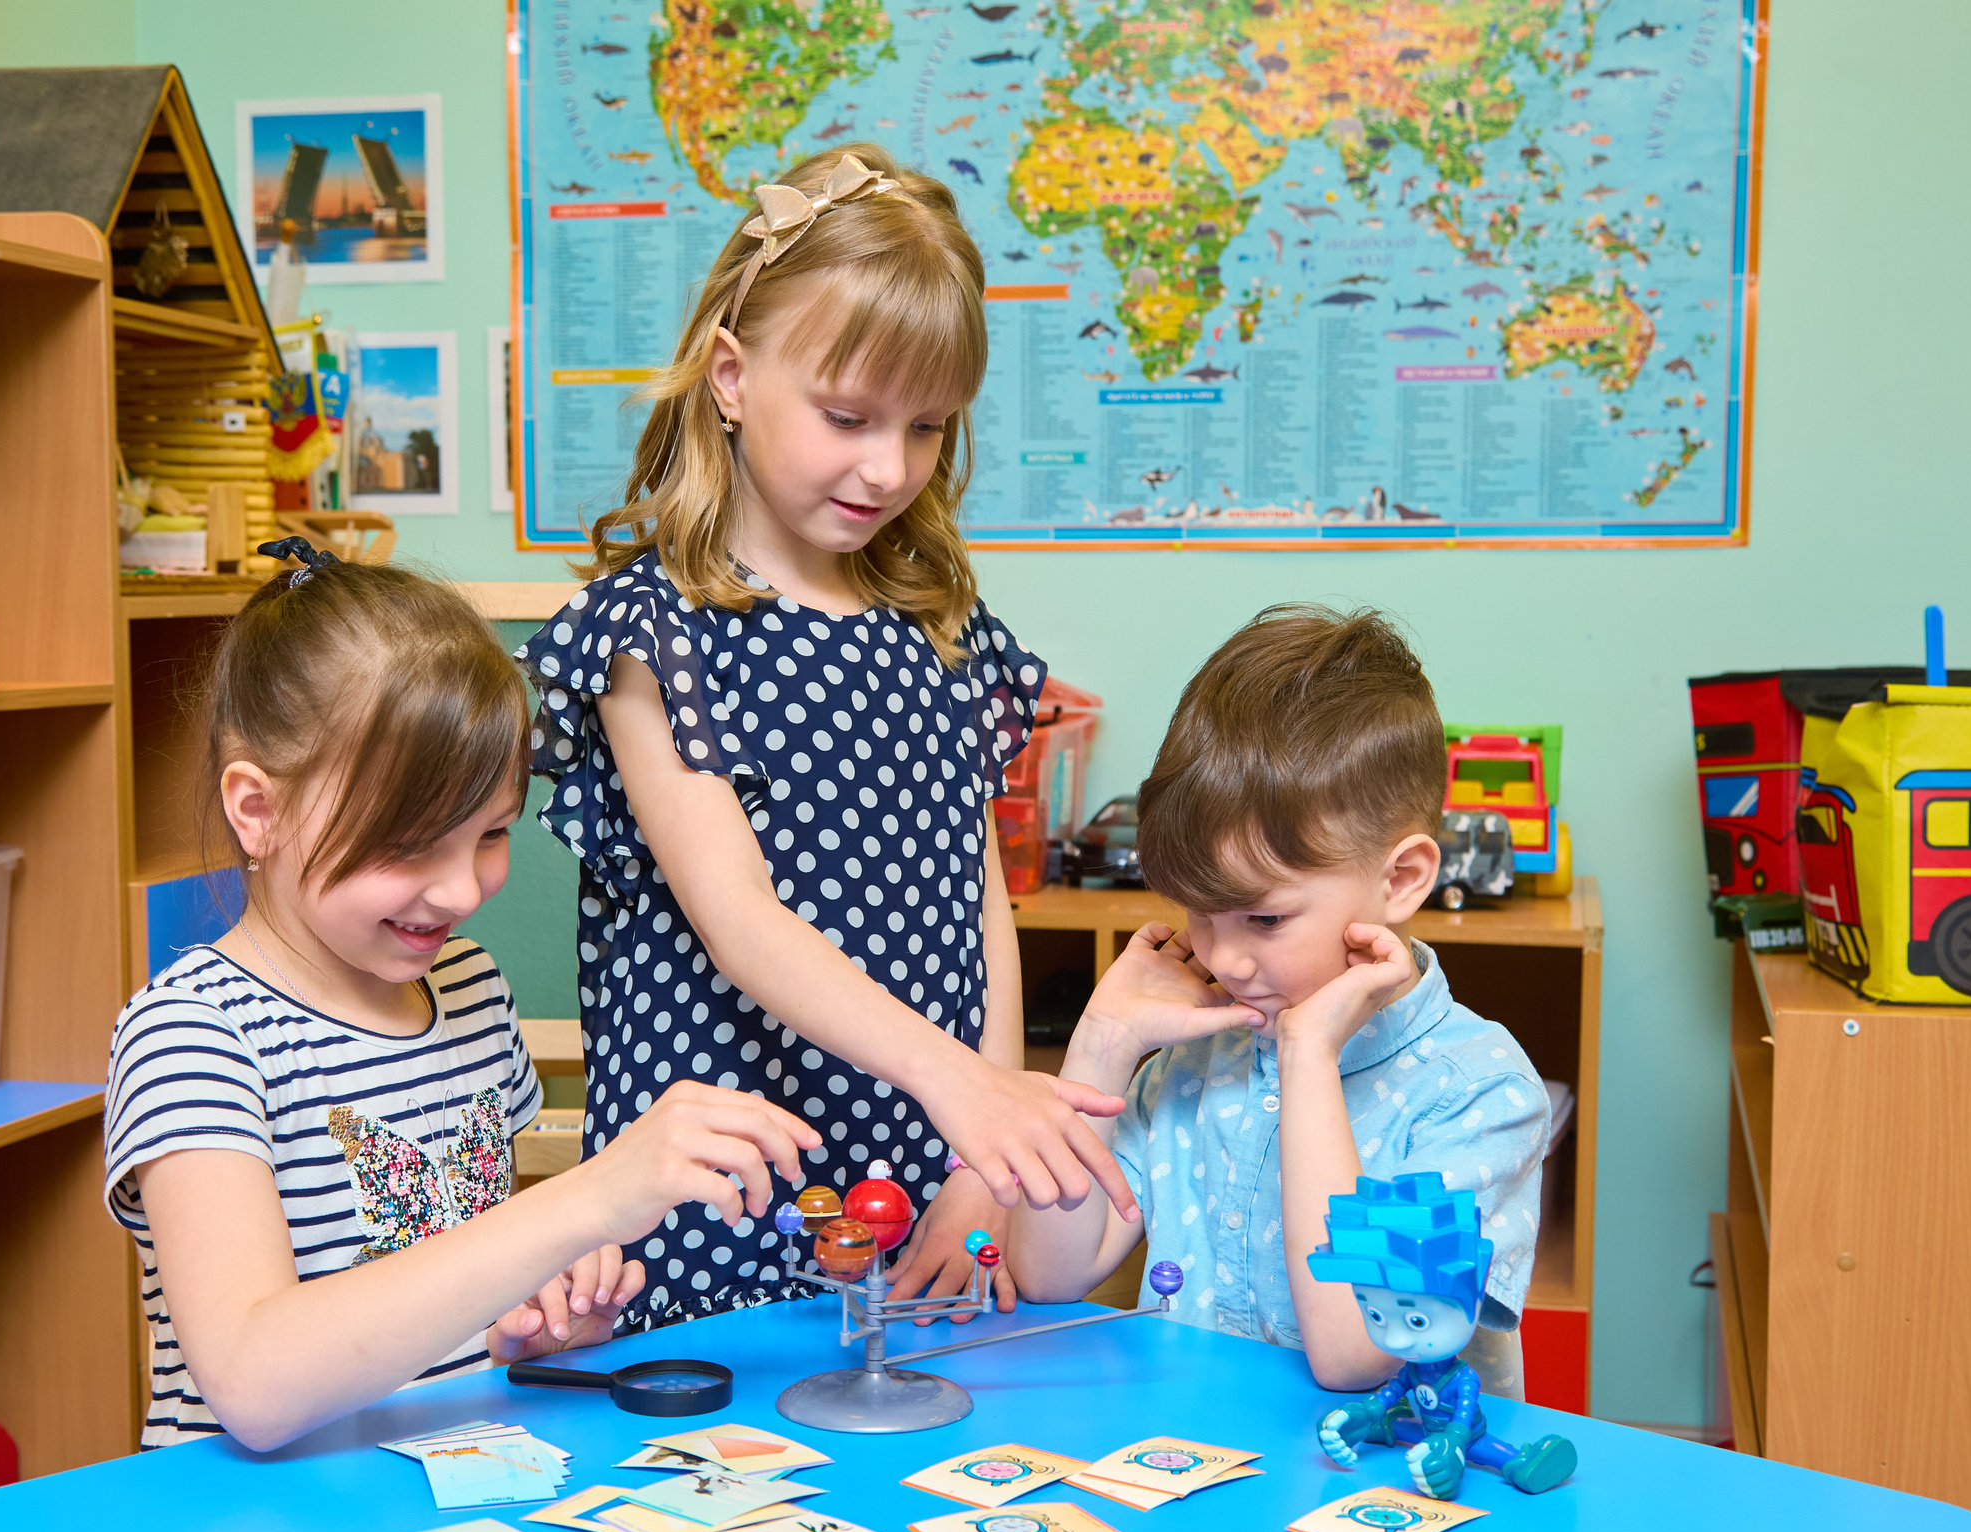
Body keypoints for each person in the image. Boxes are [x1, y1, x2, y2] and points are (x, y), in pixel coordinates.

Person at [519, 145, 1135, 1333]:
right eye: (847, 417)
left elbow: (978, 900)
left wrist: (982, 1151)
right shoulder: (653, 633)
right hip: (728, 1188)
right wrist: (963, 1087)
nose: (888, 467)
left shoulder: (941, 627)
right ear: (732, 376)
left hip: (922, 1176)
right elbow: (740, 920)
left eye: (926, 427)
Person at [103, 556, 817, 1450]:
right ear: (258, 809)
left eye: (490, 834)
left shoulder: (468, 988)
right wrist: (587, 1201)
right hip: (254, 1517)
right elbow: (254, 1381)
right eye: (408, 844)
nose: (460, 891)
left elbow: (448, 1293)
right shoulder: (191, 1036)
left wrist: (529, 1321)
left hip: (438, 1494)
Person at [1003, 606, 1550, 1398]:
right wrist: (1104, 1039)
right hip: (1200, 1458)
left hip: (1387, 1471)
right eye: (1198, 912)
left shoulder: (1478, 1093)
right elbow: (1047, 1273)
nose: (1223, 958)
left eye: (1264, 919)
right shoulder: (1197, 1058)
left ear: (1401, 879)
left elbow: (1354, 1353)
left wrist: (1308, 1056)